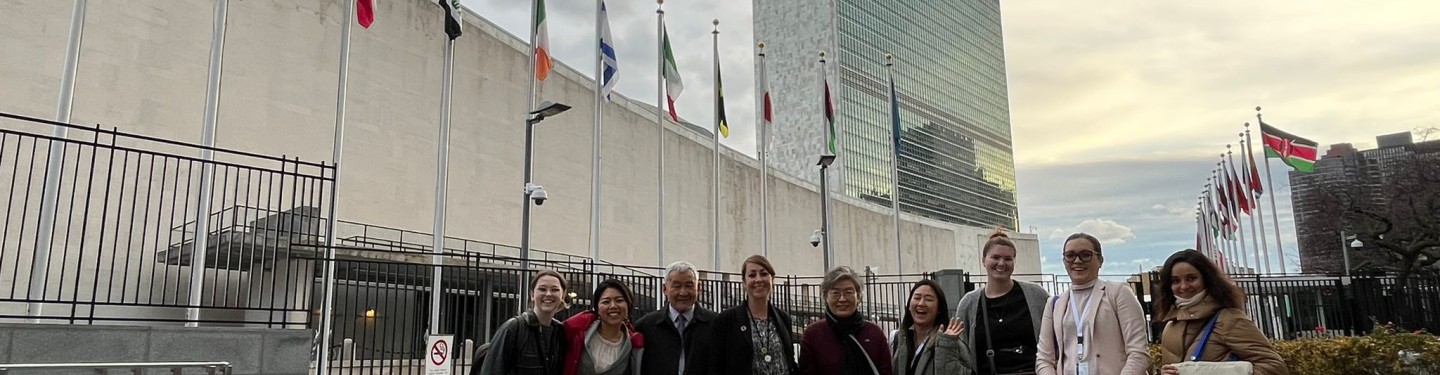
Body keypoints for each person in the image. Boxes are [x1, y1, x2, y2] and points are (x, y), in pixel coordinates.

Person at [1156, 249, 1287, 375]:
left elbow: (1275, 368)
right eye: (1175, 281)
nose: (1183, 286)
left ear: (1206, 279)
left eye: (1191, 278)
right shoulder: (1171, 326)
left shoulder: (1229, 319)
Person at [1036, 233, 1149, 375]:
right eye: (1070, 255)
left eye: (1085, 254)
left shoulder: (1119, 294)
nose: (1077, 261)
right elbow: (1044, 358)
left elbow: (1138, 353)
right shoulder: (1054, 304)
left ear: (1100, 260)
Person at [956, 230, 1051, 375]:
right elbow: (962, 352)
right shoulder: (968, 304)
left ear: (1014, 261)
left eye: (1008, 258)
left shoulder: (1036, 295)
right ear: (983, 261)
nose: (1001, 263)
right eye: (995, 257)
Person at [713, 255, 799, 375]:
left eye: (764, 274)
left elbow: (790, 361)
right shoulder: (726, 320)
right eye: (752, 275)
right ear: (744, 282)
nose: (758, 280)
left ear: (772, 280)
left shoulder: (783, 318)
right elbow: (716, 367)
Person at [799, 266, 893, 375]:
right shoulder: (813, 334)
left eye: (848, 292)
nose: (842, 299)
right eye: (835, 293)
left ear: (858, 297)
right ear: (825, 297)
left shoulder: (875, 333)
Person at [478, 270, 569, 375]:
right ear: (532, 295)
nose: (548, 294)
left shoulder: (561, 333)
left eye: (555, 290)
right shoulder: (513, 328)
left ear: (563, 295)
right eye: (542, 289)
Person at [636, 261, 716, 375]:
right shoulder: (646, 326)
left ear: (698, 288)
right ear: (665, 289)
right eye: (676, 286)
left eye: (689, 285)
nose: (683, 293)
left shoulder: (716, 325)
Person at [562, 279, 644, 375]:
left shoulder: (635, 345)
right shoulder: (576, 333)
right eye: (606, 302)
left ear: (628, 305)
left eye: (619, 300)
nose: (613, 306)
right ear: (597, 308)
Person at [891, 279, 967, 375]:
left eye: (929, 299)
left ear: (939, 308)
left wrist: (946, 346)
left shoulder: (952, 342)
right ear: (909, 305)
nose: (921, 303)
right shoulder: (897, 339)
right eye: (917, 298)